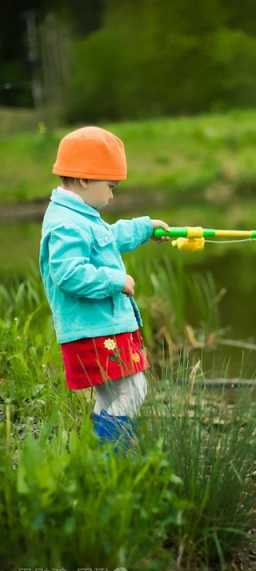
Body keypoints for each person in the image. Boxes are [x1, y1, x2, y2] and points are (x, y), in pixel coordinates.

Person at [39, 126, 169, 452]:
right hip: (95, 328)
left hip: (98, 327)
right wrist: (114, 280)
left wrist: (145, 228)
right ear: (84, 179)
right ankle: (109, 451)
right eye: (110, 187)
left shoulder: (79, 215)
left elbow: (108, 237)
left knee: (112, 394)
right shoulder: (66, 223)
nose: (112, 196)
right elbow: (68, 273)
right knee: (134, 389)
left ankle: (106, 457)